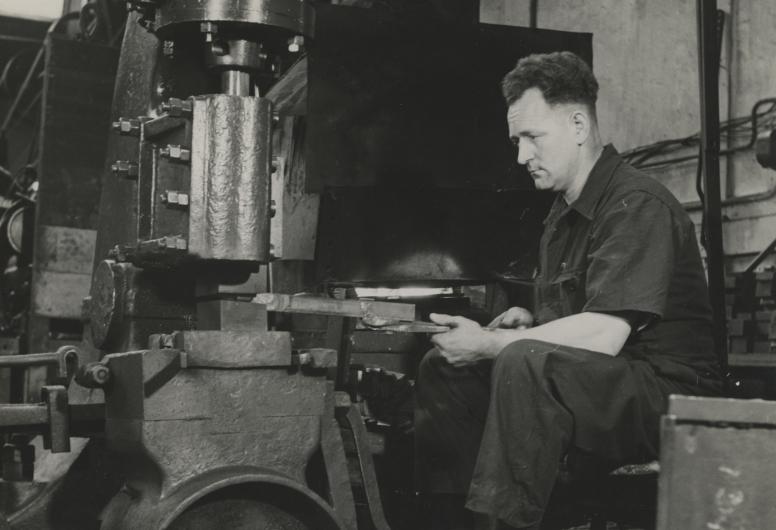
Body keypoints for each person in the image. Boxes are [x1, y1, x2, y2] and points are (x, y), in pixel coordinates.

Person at [415, 51, 723, 530]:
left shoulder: (635, 203)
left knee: (519, 361)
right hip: (607, 382)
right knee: (446, 367)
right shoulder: (562, 216)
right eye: (517, 141)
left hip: (665, 395)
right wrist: (531, 323)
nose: (521, 156)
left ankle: (507, 523)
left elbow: (604, 335)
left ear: (578, 125)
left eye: (533, 137)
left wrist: (496, 343)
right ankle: (456, 520)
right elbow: (578, 324)